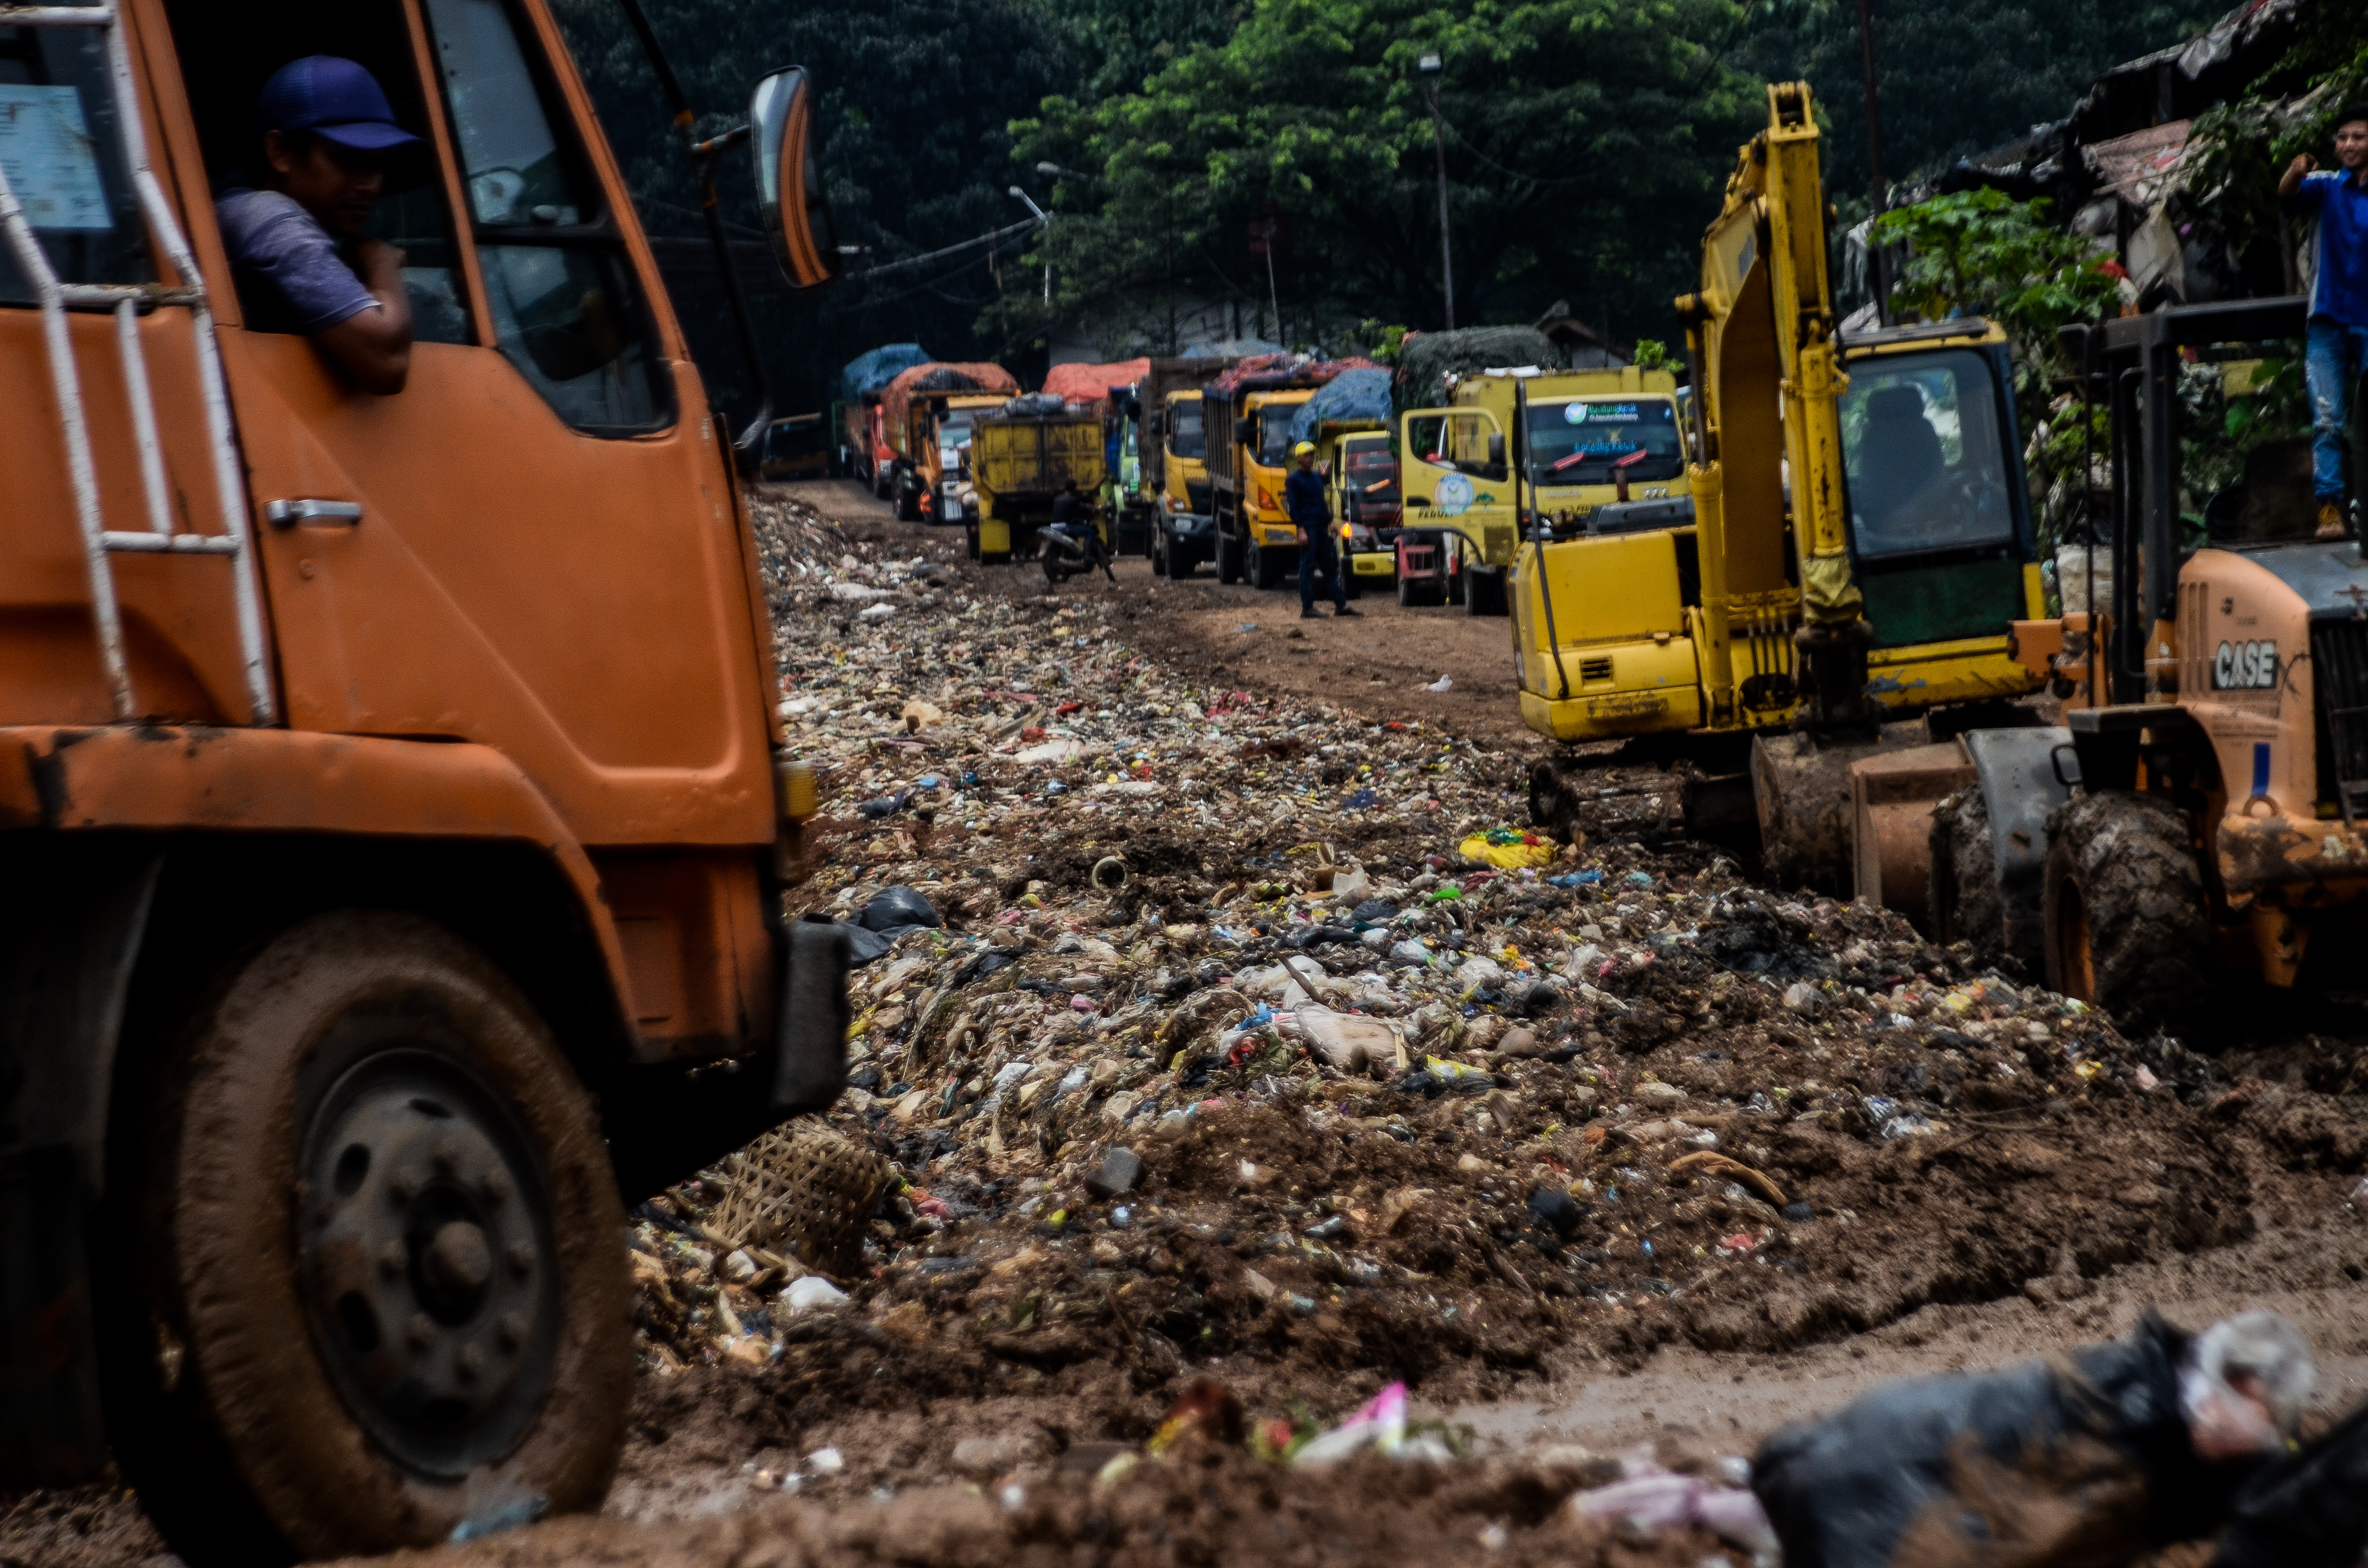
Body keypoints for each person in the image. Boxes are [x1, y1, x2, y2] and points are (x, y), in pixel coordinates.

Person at [1752, 1309, 2315, 1568]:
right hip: (1855, 1490)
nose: (2233, 1425)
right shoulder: (2123, 1414)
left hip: (1843, 1459)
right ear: (2212, 1388)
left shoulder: (2160, 1421)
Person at [215, 56, 419, 395]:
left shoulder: (241, 207)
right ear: (280, 152)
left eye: (377, 165)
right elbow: (387, 364)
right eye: (349, 158)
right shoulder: (268, 217)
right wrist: (381, 263)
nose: (371, 185)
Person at [2282, 103, 2368, 542]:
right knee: (2328, 418)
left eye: (2358, 136)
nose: (2349, 145)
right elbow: (2286, 197)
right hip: (2328, 319)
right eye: (2343, 137)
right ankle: (2330, 507)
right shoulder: (2324, 186)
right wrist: (2295, 170)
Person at [1288, 440, 1358, 620]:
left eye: (1312, 454)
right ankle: (1308, 608)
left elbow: (1321, 504)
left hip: (1320, 528)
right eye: (1307, 455)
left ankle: (1341, 605)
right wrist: (1301, 529)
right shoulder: (1293, 480)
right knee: (1307, 568)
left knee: (1329, 567)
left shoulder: (1316, 478)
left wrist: (1330, 524)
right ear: (1298, 459)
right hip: (1309, 528)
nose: (1311, 458)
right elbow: (1294, 508)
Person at [1050, 479, 1112, 581]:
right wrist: (1098, 507)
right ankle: (1087, 556)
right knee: (1089, 532)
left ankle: (1074, 555)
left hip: (1054, 526)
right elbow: (1085, 506)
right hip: (1064, 526)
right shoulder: (1073, 499)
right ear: (1074, 489)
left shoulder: (1058, 498)